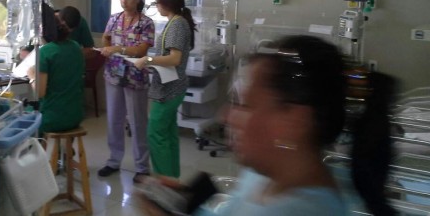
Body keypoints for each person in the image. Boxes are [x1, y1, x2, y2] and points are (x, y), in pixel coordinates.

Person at [139, 35, 395, 216]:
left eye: (243, 104)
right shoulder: (265, 174)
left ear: (294, 121)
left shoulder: (304, 211)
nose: (225, 116)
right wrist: (186, 205)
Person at [134, 0, 196, 179]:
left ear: (164, 3)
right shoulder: (175, 22)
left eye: (157, 1)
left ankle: (163, 182)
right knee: (168, 136)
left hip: (169, 90)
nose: (156, 5)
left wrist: (148, 60)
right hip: (169, 86)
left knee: (156, 135)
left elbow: (175, 58)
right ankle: (171, 179)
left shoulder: (177, 23)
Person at [99, 0, 155, 182]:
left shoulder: (146, 23)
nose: (124, 1)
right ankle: (114, 161)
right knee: (114, 119)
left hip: (135, 77)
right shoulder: (114, 19)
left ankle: (142, 167)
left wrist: (118, 49)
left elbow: (141, 50)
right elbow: (106, 38)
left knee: (138, 122)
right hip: (113, 75)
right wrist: (107, 47)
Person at [27, 6, 85, 134]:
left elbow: (40, 92)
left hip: (52, 118)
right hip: (75, 115)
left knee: (21, 115)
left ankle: (38, 152)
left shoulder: (46, 52)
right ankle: (60, 151)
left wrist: (31, 75)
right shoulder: (75, 47)